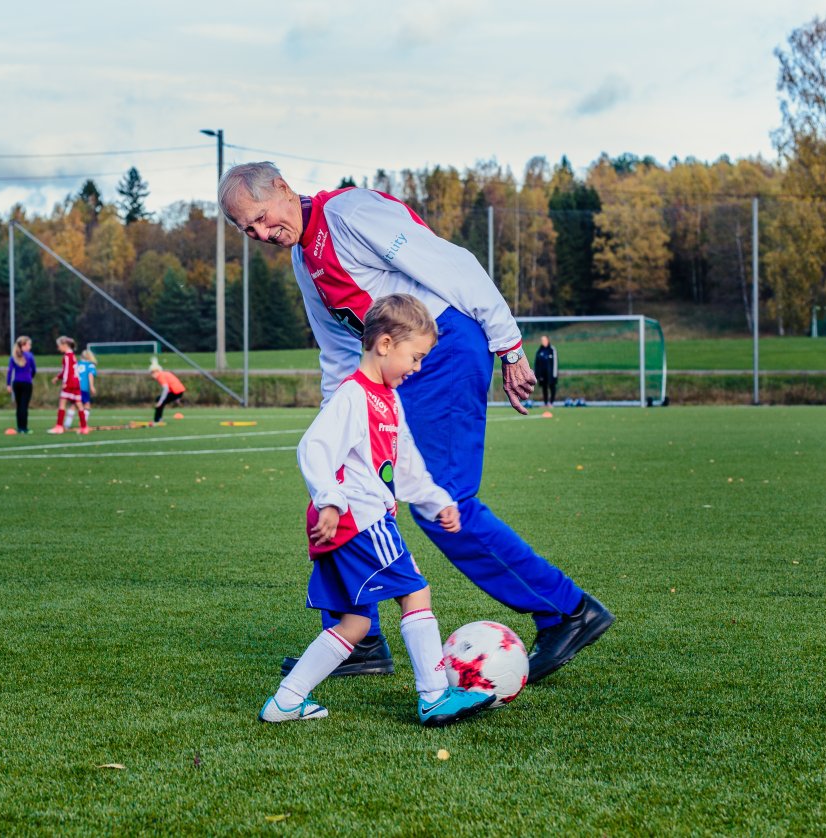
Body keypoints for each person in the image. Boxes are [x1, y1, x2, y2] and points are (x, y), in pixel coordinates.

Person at [219, 162, 613, 685]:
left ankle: (566, 611)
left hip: (444, 350)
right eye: (248, 229)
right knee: (340, 492)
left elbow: (454, 265)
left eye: (263, 217)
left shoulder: (350, 213)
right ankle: (358, 639)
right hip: (394, 373)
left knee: (444, 502)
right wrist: (338, 421)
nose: (262, 233)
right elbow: (338, 349)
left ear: (283, 189)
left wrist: (510, 344)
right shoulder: (302, 260)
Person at [260, 294, 494, 726]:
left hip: (349, 525)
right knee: (416, 592)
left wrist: (437, 500)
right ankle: (434, 696)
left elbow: (404, 467)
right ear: (385, 344)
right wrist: (329, 500)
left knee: (354, 624)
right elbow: (314, 446)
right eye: (415, 357)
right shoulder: (353, 395)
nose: (417, 368)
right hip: (361, 520)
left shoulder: (387, 399)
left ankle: (286, 700)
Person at [47, 336, 88, 434]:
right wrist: (58, 377)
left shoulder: (67, 356)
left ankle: (59, 427)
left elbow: (67, 372)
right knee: (79, 404)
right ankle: (84, 427)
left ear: (65, 345)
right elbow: (68, 370)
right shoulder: (72, 355)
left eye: (59, 346)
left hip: (70, 383)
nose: (58, 348)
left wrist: (65, 383)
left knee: (62, 403)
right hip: (76, 383)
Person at [6, 336, 36, 434]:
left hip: (16, 383)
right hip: (26, 383)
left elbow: (10, 371)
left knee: (19, 406)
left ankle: (19, 427)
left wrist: (8, 384)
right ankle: (24, 428)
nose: (30, 347)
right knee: (24, 406)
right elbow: (34, 369)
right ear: (23, 345)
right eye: (29, 344)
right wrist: (30, 377)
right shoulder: (29, 356)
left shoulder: (13, 356)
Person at [66, 348, 98, 429]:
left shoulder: (77, 364)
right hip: (83, 388)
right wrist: (92, 386)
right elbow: (90, 375)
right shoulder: (90, 365)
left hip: (74, 387)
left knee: (74, 404)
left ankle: (67, 424)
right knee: (87, 405)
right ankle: (83, 424)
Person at [534, 335, 558, 406]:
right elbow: (537, 364)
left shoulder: (552, 349)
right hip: (542, 374)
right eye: (542, 340)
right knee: (544, 388)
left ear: (548, 340)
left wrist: (554, 374)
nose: (543, 341)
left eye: (544, 340)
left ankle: (551, 403)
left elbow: (555, 363)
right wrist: (537, 375)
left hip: (551, 374)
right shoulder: (539, 351)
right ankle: (545, 403)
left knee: (552, 387)